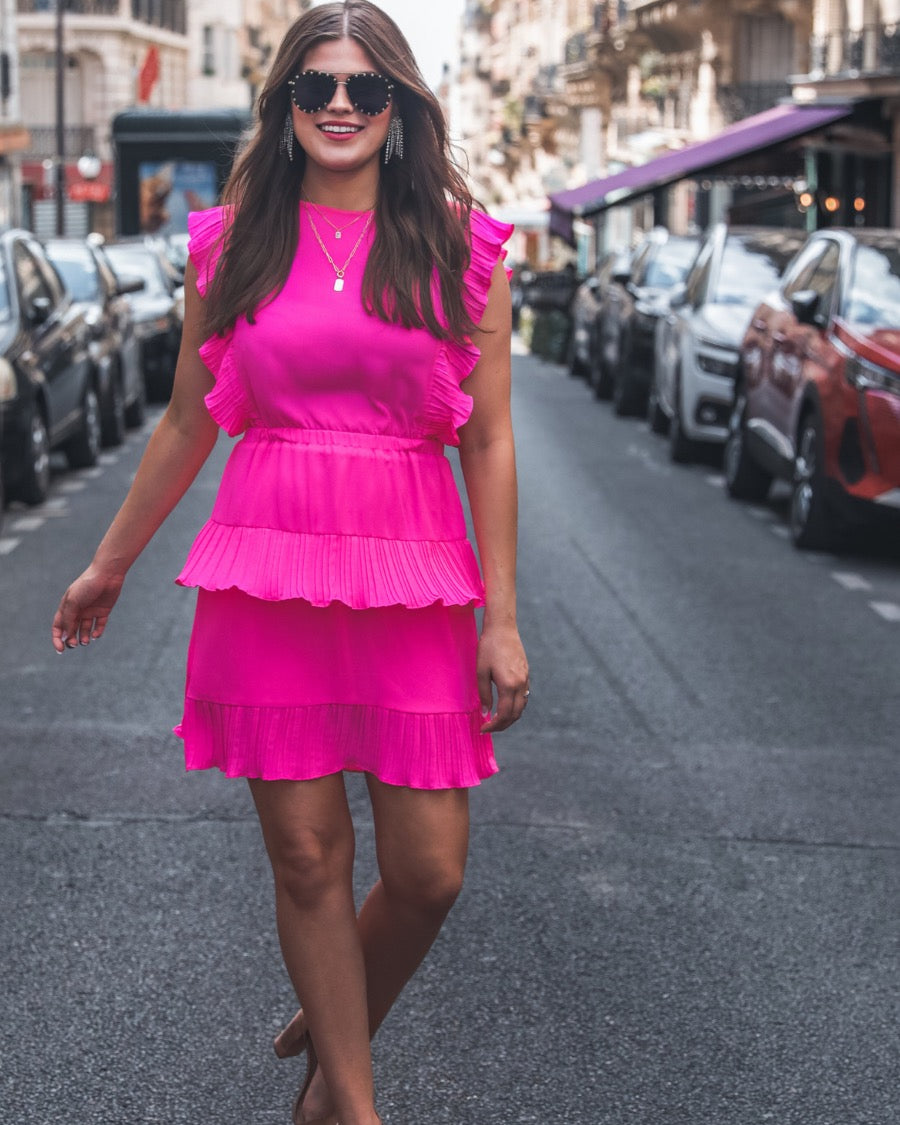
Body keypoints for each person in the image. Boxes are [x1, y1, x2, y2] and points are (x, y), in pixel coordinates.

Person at [51, 3, 529, 1124]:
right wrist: (109, 564)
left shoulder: (462, 245)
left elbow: (491, 439)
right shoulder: (230, 245)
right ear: (285, 107)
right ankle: (347, 1105)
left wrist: (503, 618)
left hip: (413, 574)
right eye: (317, 87)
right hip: (266, 572)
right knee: (309, 858)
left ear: (401, 107)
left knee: (429, 871)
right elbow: (187, 419)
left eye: (367, 87)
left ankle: (331, 1019)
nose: (342, 106)